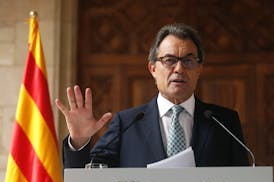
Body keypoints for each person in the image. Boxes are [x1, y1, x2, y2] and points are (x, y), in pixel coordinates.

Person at [55, 23, 249, 168]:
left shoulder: (224, 122)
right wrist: (79, 142)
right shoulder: (127, 123)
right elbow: (88, 180)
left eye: (188, 61)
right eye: (169, 60)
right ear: (153, 68)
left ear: (199, 69)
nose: (179, 69)